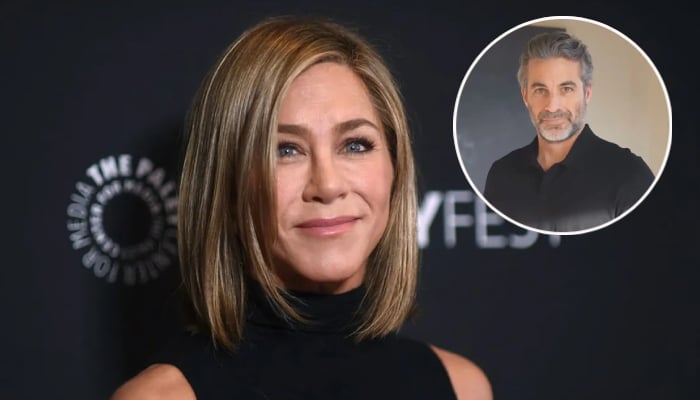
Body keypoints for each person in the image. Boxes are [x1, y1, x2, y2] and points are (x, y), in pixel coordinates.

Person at [111, 16, 492, 400]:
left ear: (395, 167)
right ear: (228, 186)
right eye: (285, 150)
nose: (327, 185)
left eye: (355, 145)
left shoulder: (461, 387)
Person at [483, 31, 654, 233]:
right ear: (525, 96)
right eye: (540, 90)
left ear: (587, 93)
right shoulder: (501, 174)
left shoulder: (630, 175)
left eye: (566, 89)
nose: (552, 106)